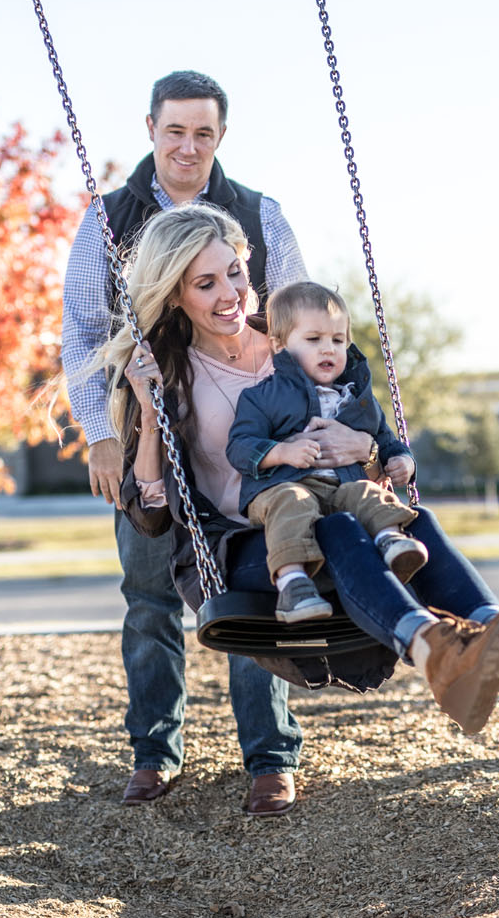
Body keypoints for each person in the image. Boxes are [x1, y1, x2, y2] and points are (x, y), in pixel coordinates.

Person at [80, 203, 499, 797]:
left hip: (332, 506)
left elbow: (361, 438)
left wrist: (371, 448)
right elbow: (152, 515)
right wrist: (144, 403)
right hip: (246, 544)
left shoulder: (295, 344)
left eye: (236, 273)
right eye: (206, 282)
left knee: (406, 517)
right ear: (174, 294)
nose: (230, 294)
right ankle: (442, 660)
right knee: (340, 530)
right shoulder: (168, 372)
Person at [60, 71, 324, 816]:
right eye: (174, 130)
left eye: (203, 133)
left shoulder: (259, 214)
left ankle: (270, 759)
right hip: (146, 431)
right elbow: (80, 335)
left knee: (257, 589)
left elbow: (298, 317)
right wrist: (103, 435)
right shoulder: (108, 218)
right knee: (148, 598)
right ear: (150, 128)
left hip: (241, 437)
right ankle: (154, 752)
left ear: (221, 137)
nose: (188, 145)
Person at [226, 282, 428, 624]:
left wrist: (403, 460)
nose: (328, 349)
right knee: (293, 501)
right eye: (314, 339)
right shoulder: (263, 396)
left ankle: (392, 541)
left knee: (365, 492)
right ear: (279, 345)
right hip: (278, 490)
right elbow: (239, 446)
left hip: (340, 491)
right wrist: (282, 452)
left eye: (338, 340)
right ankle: (293, 586)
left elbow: (386, 438)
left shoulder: (357, 398)